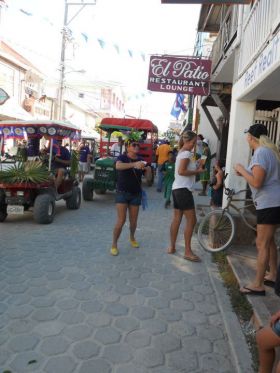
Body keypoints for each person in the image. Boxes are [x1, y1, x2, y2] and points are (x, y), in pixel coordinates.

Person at [234, 123, 280, 296]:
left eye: (247, 136)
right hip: (274, 202)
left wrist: (240, 169)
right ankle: (273, 274)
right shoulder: (271, 153)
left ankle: (258, 284)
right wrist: (246, 171)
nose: (246, 139)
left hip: (268, 203)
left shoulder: (260, 153)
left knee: (262, 244)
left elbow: (257, 183)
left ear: (250, 137)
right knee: (270, 243)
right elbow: (261, 177)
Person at [167, 131, 204, 262]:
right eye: (194, 143)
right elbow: (182, 171)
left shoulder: (183, 152)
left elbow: (190, 167)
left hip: (177, 189)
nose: (194, 145)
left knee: (177, 219)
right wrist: (197, 171)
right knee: (192, 221)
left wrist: (198, 165)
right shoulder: (187, 153)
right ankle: (187, 252)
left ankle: (172, 247)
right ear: (189, 141)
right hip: (183, 190)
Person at [111, 140, 151, 256]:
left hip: (135, 194)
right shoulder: (122, 157)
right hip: (122, 192)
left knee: (133, 222)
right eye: (134, 145)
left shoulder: (141, 160)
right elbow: (118, 166)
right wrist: (134, 164)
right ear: (128, 147)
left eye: (138, 145)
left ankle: (132, 238)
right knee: (121, 220)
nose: (137, 146)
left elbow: (148, 179)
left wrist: (148, 171)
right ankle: (114, 244)